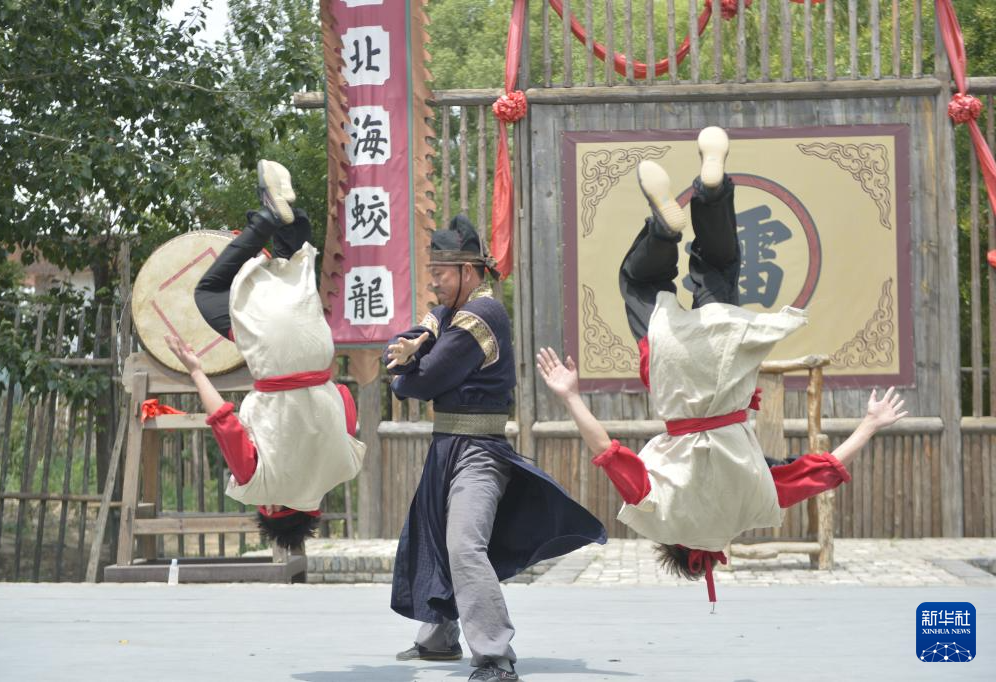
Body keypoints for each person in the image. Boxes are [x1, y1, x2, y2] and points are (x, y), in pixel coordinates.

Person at [536, 127, 908, 603]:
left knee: (718, 267)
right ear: (670, 544)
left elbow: (824, 471)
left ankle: (711, 194)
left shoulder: (751, 504)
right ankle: (663, 231)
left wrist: (871, 423)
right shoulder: (654, 507)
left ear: (714, 552)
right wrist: (569, 395)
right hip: (670, 365)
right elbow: (605, 450)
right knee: (640, 282)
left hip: (725, 361)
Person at [385, 215, 607, 682]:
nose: (433, 282)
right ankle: (440, 637)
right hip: (446, 447)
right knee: (434, 537)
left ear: (467, 271)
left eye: (441, 274)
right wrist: (414, 350)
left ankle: (494, 656)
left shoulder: (481, 316)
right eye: (432, 273)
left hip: (478, 453)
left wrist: (409, 365)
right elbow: (401, 345)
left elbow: (421, 382)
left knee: (464, 544)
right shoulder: (446, 313)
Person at [165, 160, 365, 551]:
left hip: (317, 348)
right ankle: (266, 220)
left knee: (291, 271)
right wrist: (195, 371)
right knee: (208, 292)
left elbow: (344, 397)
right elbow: (224, 422)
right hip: (275, 362)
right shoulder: (260, 484)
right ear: (272, 508)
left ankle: (292, 220)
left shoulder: (344, 467)